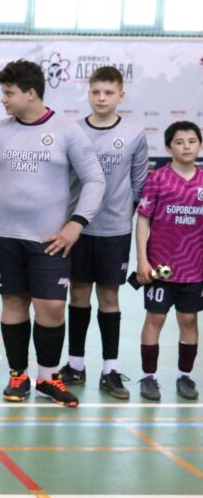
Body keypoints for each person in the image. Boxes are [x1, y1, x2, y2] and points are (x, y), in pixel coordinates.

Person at [0, 60, 104, 407]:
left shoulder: (67, 130)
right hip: (4, 236)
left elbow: (94, 179)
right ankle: (18, 376)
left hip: (50, 239)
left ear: (30, 93)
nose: (3, 99)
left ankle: (47, 377)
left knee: (52, 307)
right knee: (13, 303)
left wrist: (76, 224)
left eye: (9, 93)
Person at [58, 66, 148, 399]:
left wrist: (122, 214)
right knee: (78, 293)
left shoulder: (135, 134)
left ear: (121, 95)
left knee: (110, 297)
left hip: (114, 231)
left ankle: (110, 371)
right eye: (96, 92)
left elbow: (138, 184)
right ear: (88, 94)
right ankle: (76, 365)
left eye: (109, 92)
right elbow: (64, 180)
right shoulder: (73, 130)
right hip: (78, 230)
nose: (101, 98)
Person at [135, 121, 203, 401]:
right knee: (156, 318)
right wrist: (142, 260)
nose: (186, 146)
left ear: (200, 145)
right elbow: (143, 220)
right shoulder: (158, 179)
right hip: (160, 267)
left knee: (188, 319)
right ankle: (148, 377)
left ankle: (184, 376)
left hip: (194, 268)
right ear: (167, 147)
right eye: (179, 142)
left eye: (192, 141)